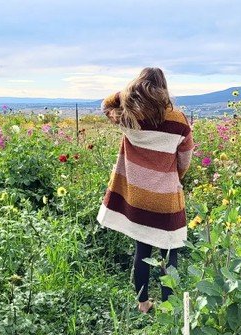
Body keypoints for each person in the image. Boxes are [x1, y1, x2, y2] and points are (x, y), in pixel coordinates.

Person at [97, 67, 194, 313]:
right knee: (169, 251)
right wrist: (173, 178)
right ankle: (168, 307)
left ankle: (143, 304)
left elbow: (107, 104)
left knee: (142, 251)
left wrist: (132, 92)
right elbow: (184, 160)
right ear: (164, 88)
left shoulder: (128, 117)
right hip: (166, 197)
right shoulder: (179, 121)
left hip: (137, 197)